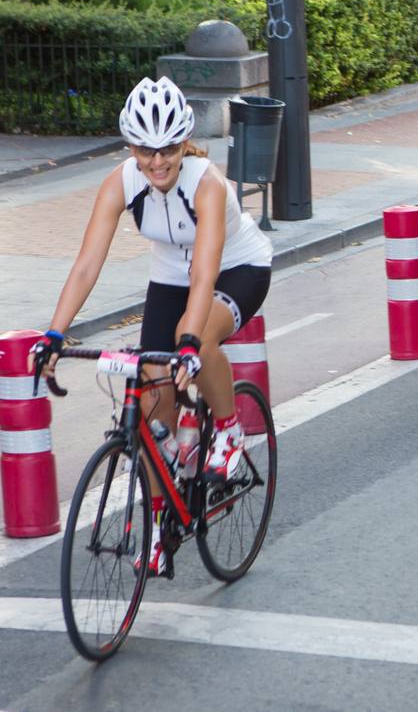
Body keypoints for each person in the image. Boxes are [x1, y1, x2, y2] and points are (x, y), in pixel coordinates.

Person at [32, 77, 274, 574]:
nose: (157, 161)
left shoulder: (205, 183)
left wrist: (187, 343)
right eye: (145, 150)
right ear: (131, 147)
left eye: (167, 149)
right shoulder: (121, 182)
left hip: (237, 267)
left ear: (184, 143)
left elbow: (205, 271)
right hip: (169, 275)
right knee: (148, 395)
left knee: (200, 336)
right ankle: (165, 521)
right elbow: (86, 264)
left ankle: (228, 434)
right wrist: (54, 334)